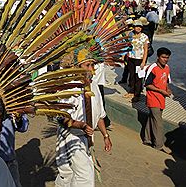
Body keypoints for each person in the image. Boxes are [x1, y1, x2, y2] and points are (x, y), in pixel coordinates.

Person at [55, 50, 112, 187]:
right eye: (87, 65)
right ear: (76, 66)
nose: (91, 69)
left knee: (72, 173)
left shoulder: (94, 87)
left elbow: (99, 115)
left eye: (92, 65)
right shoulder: (68, 87)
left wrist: (105, 135)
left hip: (87, 135)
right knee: (82, 175)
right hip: (71, 135)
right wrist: (80, 125)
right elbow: (61, 118)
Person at [141, 47, 172, 153]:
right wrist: (161, 91)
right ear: (158, 57)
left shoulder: (167, 68)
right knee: (158, 121)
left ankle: (147, 139)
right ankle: (159, 144)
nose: (165, 60)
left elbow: (167, 81)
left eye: (167, 58)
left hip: (161, 98)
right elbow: (147, 84)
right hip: (153, 98)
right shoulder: (152, 68)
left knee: (152, 118)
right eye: (163, 57)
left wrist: (167, 89)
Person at [122, 19, 149, 102]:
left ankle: (137, 95)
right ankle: (131, 91)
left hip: (139, 59)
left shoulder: (144, 37)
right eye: (136, 26)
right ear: (133, 27)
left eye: (140, 27)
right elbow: (127, 45)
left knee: (138, 78)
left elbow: (146, 50)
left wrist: (143, 62)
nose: (138, 28)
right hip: (131, 58)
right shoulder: (131, 35)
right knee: (132, 76)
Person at [0, 114, 29, 187]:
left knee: (14, 183)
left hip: (9, 158)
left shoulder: (13, 106)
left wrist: (18, 119)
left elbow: (23, 127)